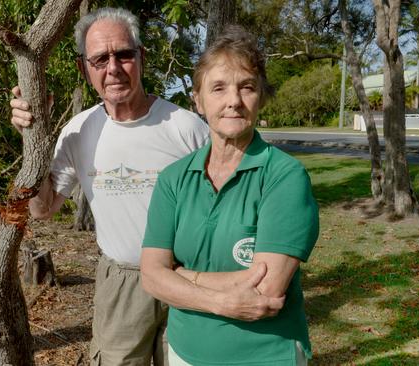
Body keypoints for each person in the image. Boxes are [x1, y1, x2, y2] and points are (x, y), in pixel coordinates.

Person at [10, 8, 285, 365]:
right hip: (121, 282)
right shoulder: (78, 132)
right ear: (84, 68)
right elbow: (41, 210)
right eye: (100, 59)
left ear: (142, 57)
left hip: (189, 277)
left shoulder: (187, 128)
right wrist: (32, 142)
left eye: (124, 54)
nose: (113, 68)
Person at [140, 25, 319, 366]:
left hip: (264, 356)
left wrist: (181, 275)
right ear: (198, 100)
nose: (233, 101)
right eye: (218, 88)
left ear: (261, 96)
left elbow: (266, 290)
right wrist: (223, 301)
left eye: (247, 87)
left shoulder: (285, 177)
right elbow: (150, 275)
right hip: (183, 352)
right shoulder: (173, 179)